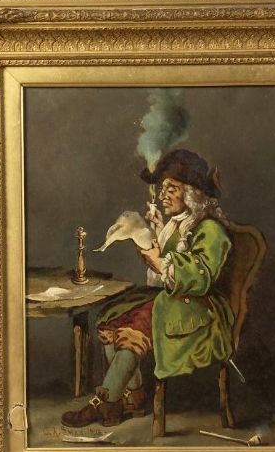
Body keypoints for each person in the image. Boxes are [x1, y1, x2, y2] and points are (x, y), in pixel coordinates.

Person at [61, 149, 235, 428]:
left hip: (201, 311)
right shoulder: (177, 225)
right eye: (162, 189)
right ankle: (131, 396)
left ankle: (106, 401)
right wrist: (156, 237)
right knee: (114, 316)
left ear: (192, 195)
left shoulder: (211, 229)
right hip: (174, 301)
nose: (163, 195)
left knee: (136, 325)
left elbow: (200, 276)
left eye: (171, 189)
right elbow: (161, 275)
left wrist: (161, 262)